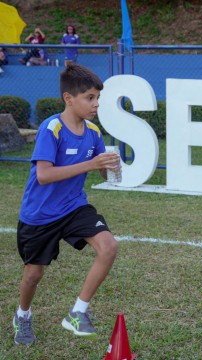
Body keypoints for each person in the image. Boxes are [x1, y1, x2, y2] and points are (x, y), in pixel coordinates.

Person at [13, 63, 121, 346]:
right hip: (40, 215)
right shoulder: (53, 128)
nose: (96, 104)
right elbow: (44, 175)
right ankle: (23, 315)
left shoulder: (94, 132)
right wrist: (91, 163)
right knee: (33, 275)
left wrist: (109, 166)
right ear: (68, 99)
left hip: (74, 207)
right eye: (90, 98)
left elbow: (100, 170)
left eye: (98, 98)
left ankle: (78, 312)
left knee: (108, 246)